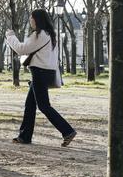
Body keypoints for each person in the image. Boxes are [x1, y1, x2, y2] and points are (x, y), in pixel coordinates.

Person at [5, 9, 77, 146]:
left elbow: (21, 49)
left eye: (31, 18)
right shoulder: (50, 34)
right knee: (30, 105)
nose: (30, 20)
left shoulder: (39, 35)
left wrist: (10, 36)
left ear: (37, 19)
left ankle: (67, 131)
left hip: (39, 72)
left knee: (44, 105)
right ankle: (24, 136)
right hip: (46, 71)